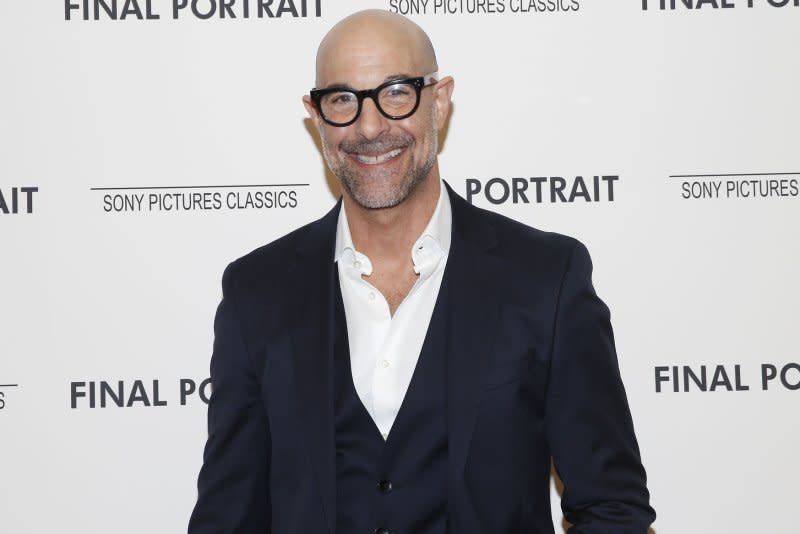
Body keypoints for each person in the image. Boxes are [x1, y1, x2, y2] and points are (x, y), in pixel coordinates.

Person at [189, 9, 655, 534]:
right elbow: (228, 518)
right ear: (316, 115)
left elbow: (613, 509)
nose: (369, 126)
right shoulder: (258, 292)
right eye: (342, 99)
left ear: (439, 99)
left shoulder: (545, 278)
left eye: (396, 92)